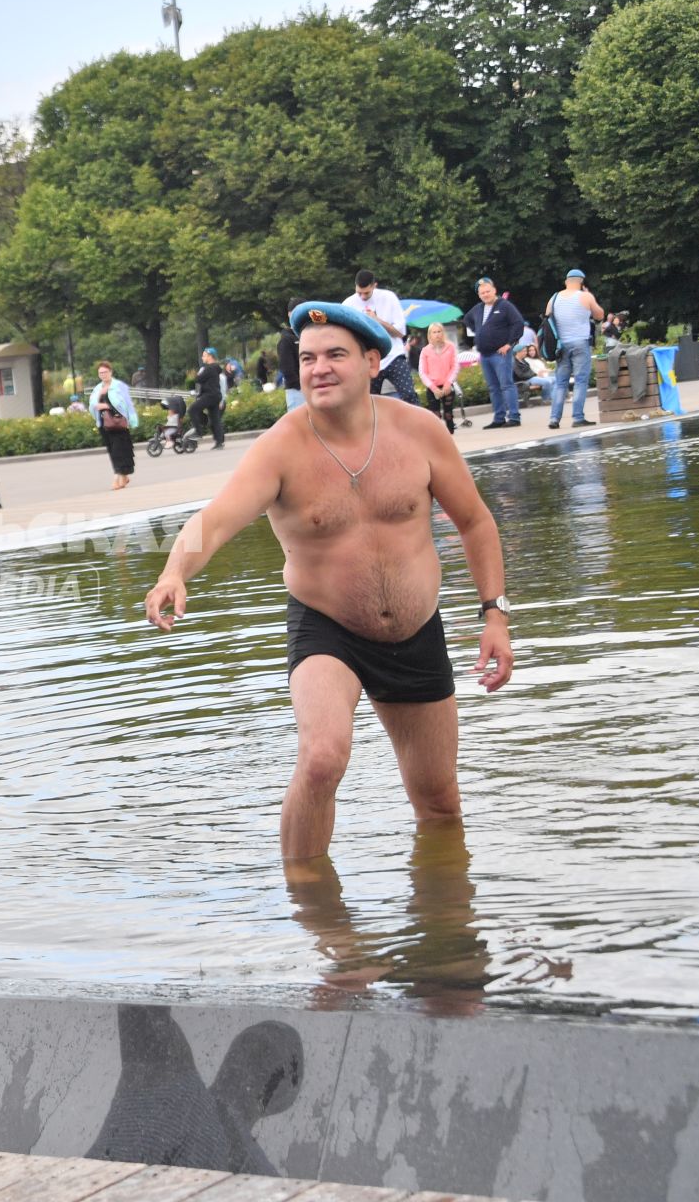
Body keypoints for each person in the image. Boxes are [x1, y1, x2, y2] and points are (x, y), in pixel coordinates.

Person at [144, 302, 512, 861]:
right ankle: (312, 910)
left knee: (439, 801)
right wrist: (174, 571)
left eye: (335, 355)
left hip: (416, 632)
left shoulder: (420, 431)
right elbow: (213, 521)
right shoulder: (282, 446)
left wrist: (495, 614)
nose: (318, 368)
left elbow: (476, 522)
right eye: (308, 358)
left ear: (371, 361)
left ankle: (446, 929)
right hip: (327, 628)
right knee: (322, 757)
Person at [461, 277, 526, 429]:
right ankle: (499, 417)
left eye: (487, 291)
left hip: (500, 353)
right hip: (485, 354)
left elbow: (518, 323)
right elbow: (467, 319)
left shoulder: (505, 306)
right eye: (482, 292)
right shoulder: (478, 309)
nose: (485, 294)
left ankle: (514, 416)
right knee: (493, 387)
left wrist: (509, 344)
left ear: (494, 290)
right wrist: (480, 332)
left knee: (506, 384)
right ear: (479, 295)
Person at [543, 268, 603, 429]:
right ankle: (578, 417)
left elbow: (548, 320)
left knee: (560, 383)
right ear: (581, 282)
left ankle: (554, 419)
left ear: (566, 282)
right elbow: (599, 315)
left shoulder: (553, 298)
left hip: (560, 345)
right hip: (580, 343)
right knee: (580, 380)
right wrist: (589, 297)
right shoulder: (585, 296)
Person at [343, 270, 412, 399]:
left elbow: (400, 332)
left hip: (393, 355)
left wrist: (378, 321)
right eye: (359, 293)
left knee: (408, 394)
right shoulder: (348, 304)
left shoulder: (389, 297)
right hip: (367, 358)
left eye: (367, 293)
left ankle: (417, 419)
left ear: (374, 286)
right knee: (368, 400)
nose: (363, 297)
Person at [89, 361, 138, 490]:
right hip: (104, 424)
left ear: (110, 372)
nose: (103, 375)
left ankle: (117, 477)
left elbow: (127, 404)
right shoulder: (97, 389)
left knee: (120, 450)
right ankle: (123, 476)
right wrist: (98, 402)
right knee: (112, 451)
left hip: (118, 422)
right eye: (100, 373)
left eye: (105, 372)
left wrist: (108, 406)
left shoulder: (119, 386)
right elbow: (92, 405)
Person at [417, 322, 460, 434]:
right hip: (433, 388)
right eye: (434, 332)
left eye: (439, 331)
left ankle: (451, 434)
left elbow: (455, 366)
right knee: (435, 415)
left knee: (448, 414)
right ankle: (438, 436)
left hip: (447, 386)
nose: (437, 334)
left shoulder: (450, 347)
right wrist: (433, 387)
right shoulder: (425, 351)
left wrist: (448, 383)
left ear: (443, 332)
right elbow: (422, 372)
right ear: (430, 335)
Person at [186, 348, 227, 450]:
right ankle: (219, 443)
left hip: (210, 395)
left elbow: (198, 379)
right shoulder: (215, 368)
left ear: (210, 356)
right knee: (215, 420)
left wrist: (195, 375)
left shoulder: (209, 368)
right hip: (215, 396)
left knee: (192, 409)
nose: (202, 357)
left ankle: (198, 432)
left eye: (204, 355)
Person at [277, 298, 304, 411]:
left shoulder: (308, 335)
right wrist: (300, 386)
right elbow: (286, 369)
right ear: (289, 314)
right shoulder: (286, 340)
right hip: (297, 391)